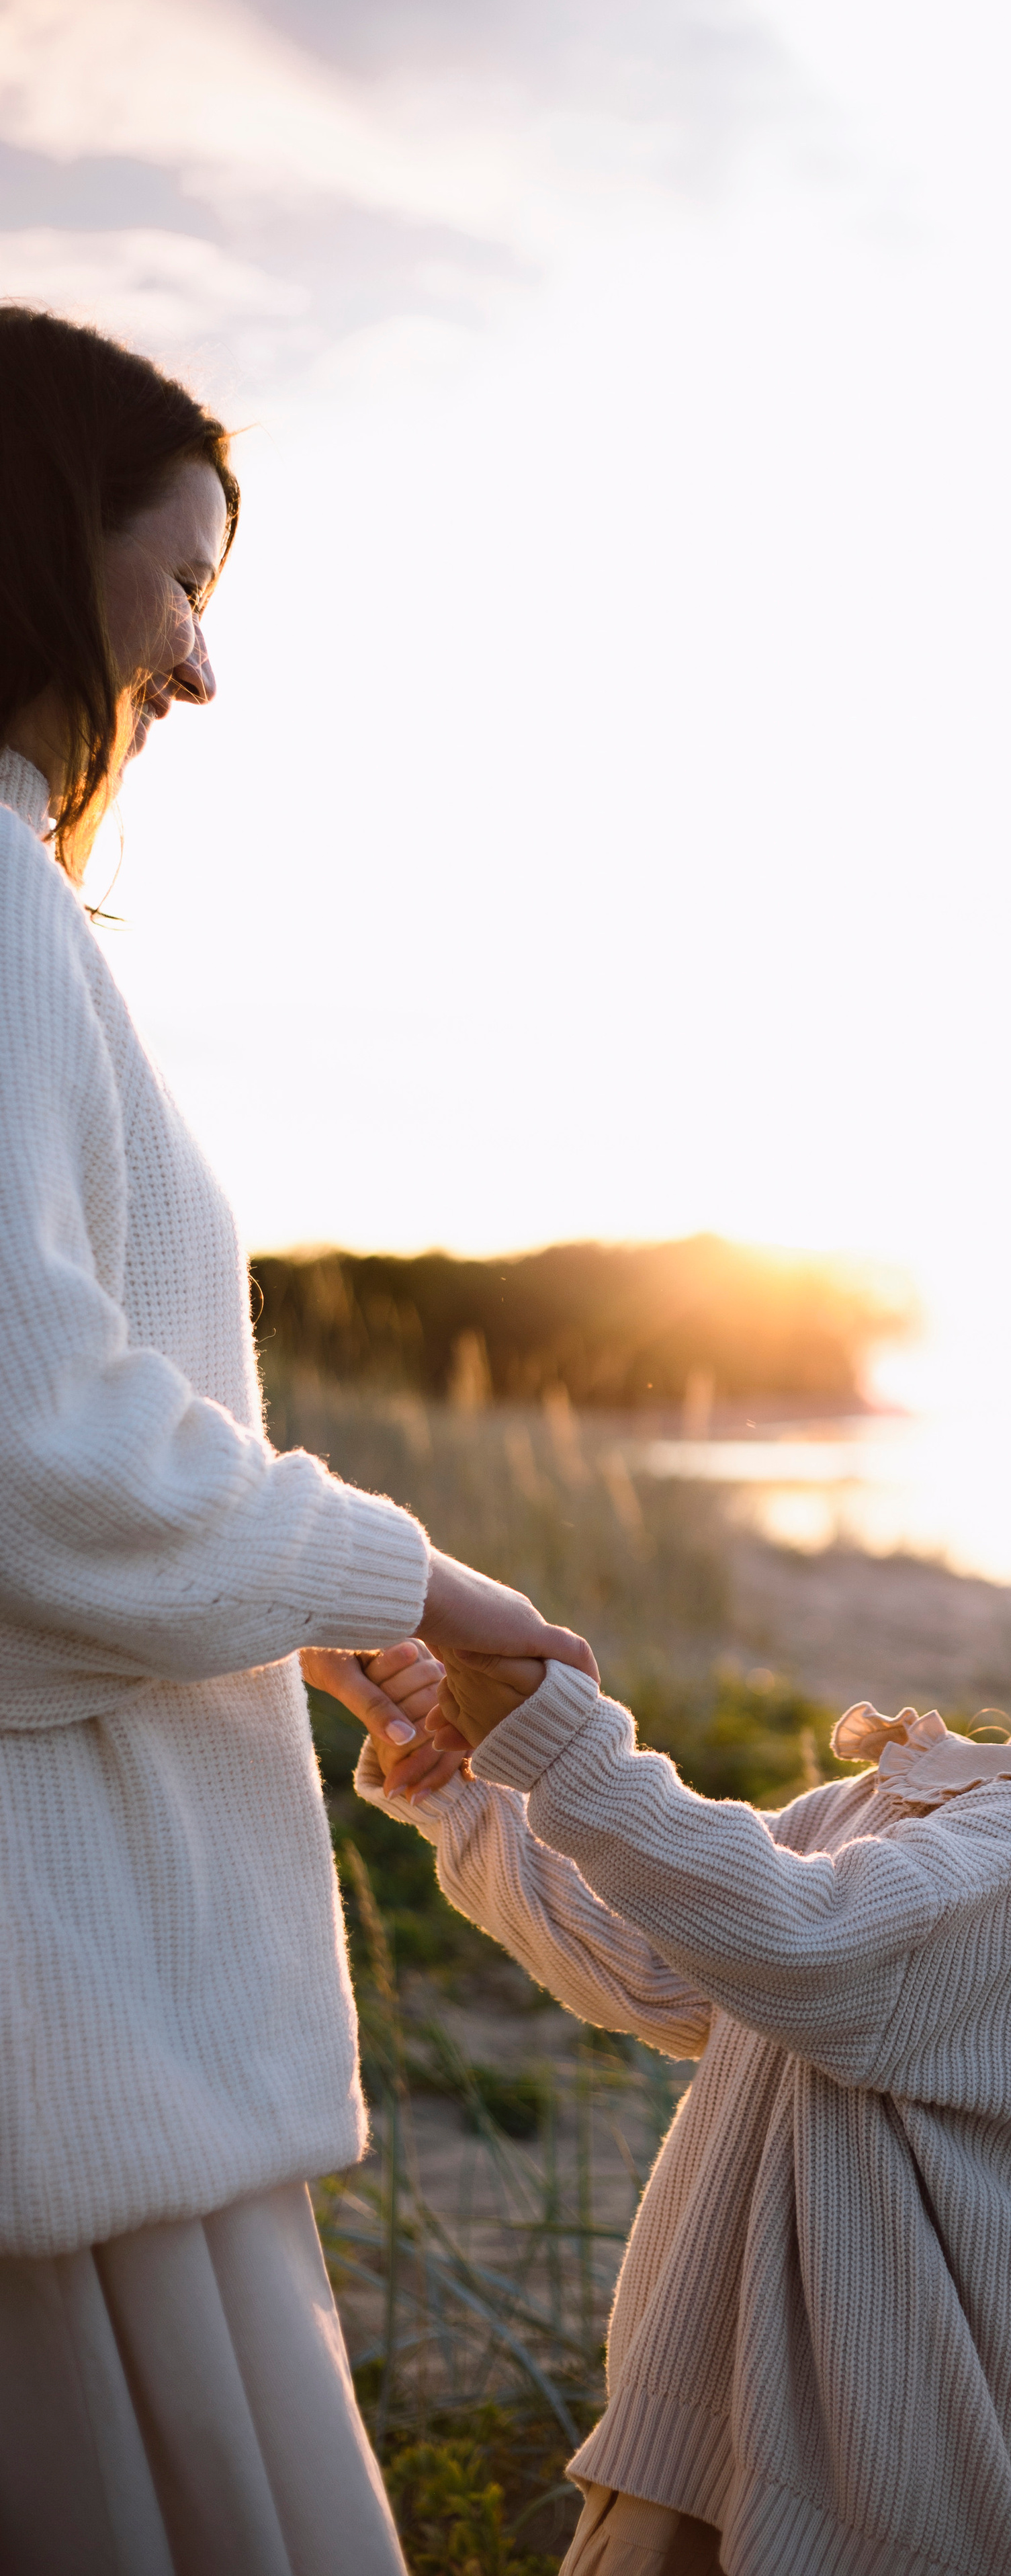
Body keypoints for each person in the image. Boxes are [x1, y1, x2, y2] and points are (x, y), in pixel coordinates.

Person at [0, 307, 588, 2576]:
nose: (202, 673)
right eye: (188, 586)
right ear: (46, 550)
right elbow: (37, 1443)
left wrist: (275, 1599)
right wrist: (403, 1578)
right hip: (61, 1994)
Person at [358, 1594, 1011, 2576]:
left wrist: (557, 1739)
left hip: (875, 2484)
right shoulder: (899, 1804)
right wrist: (472, 1789)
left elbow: (804, 1941)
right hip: (725, 2443)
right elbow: (655, 1964)